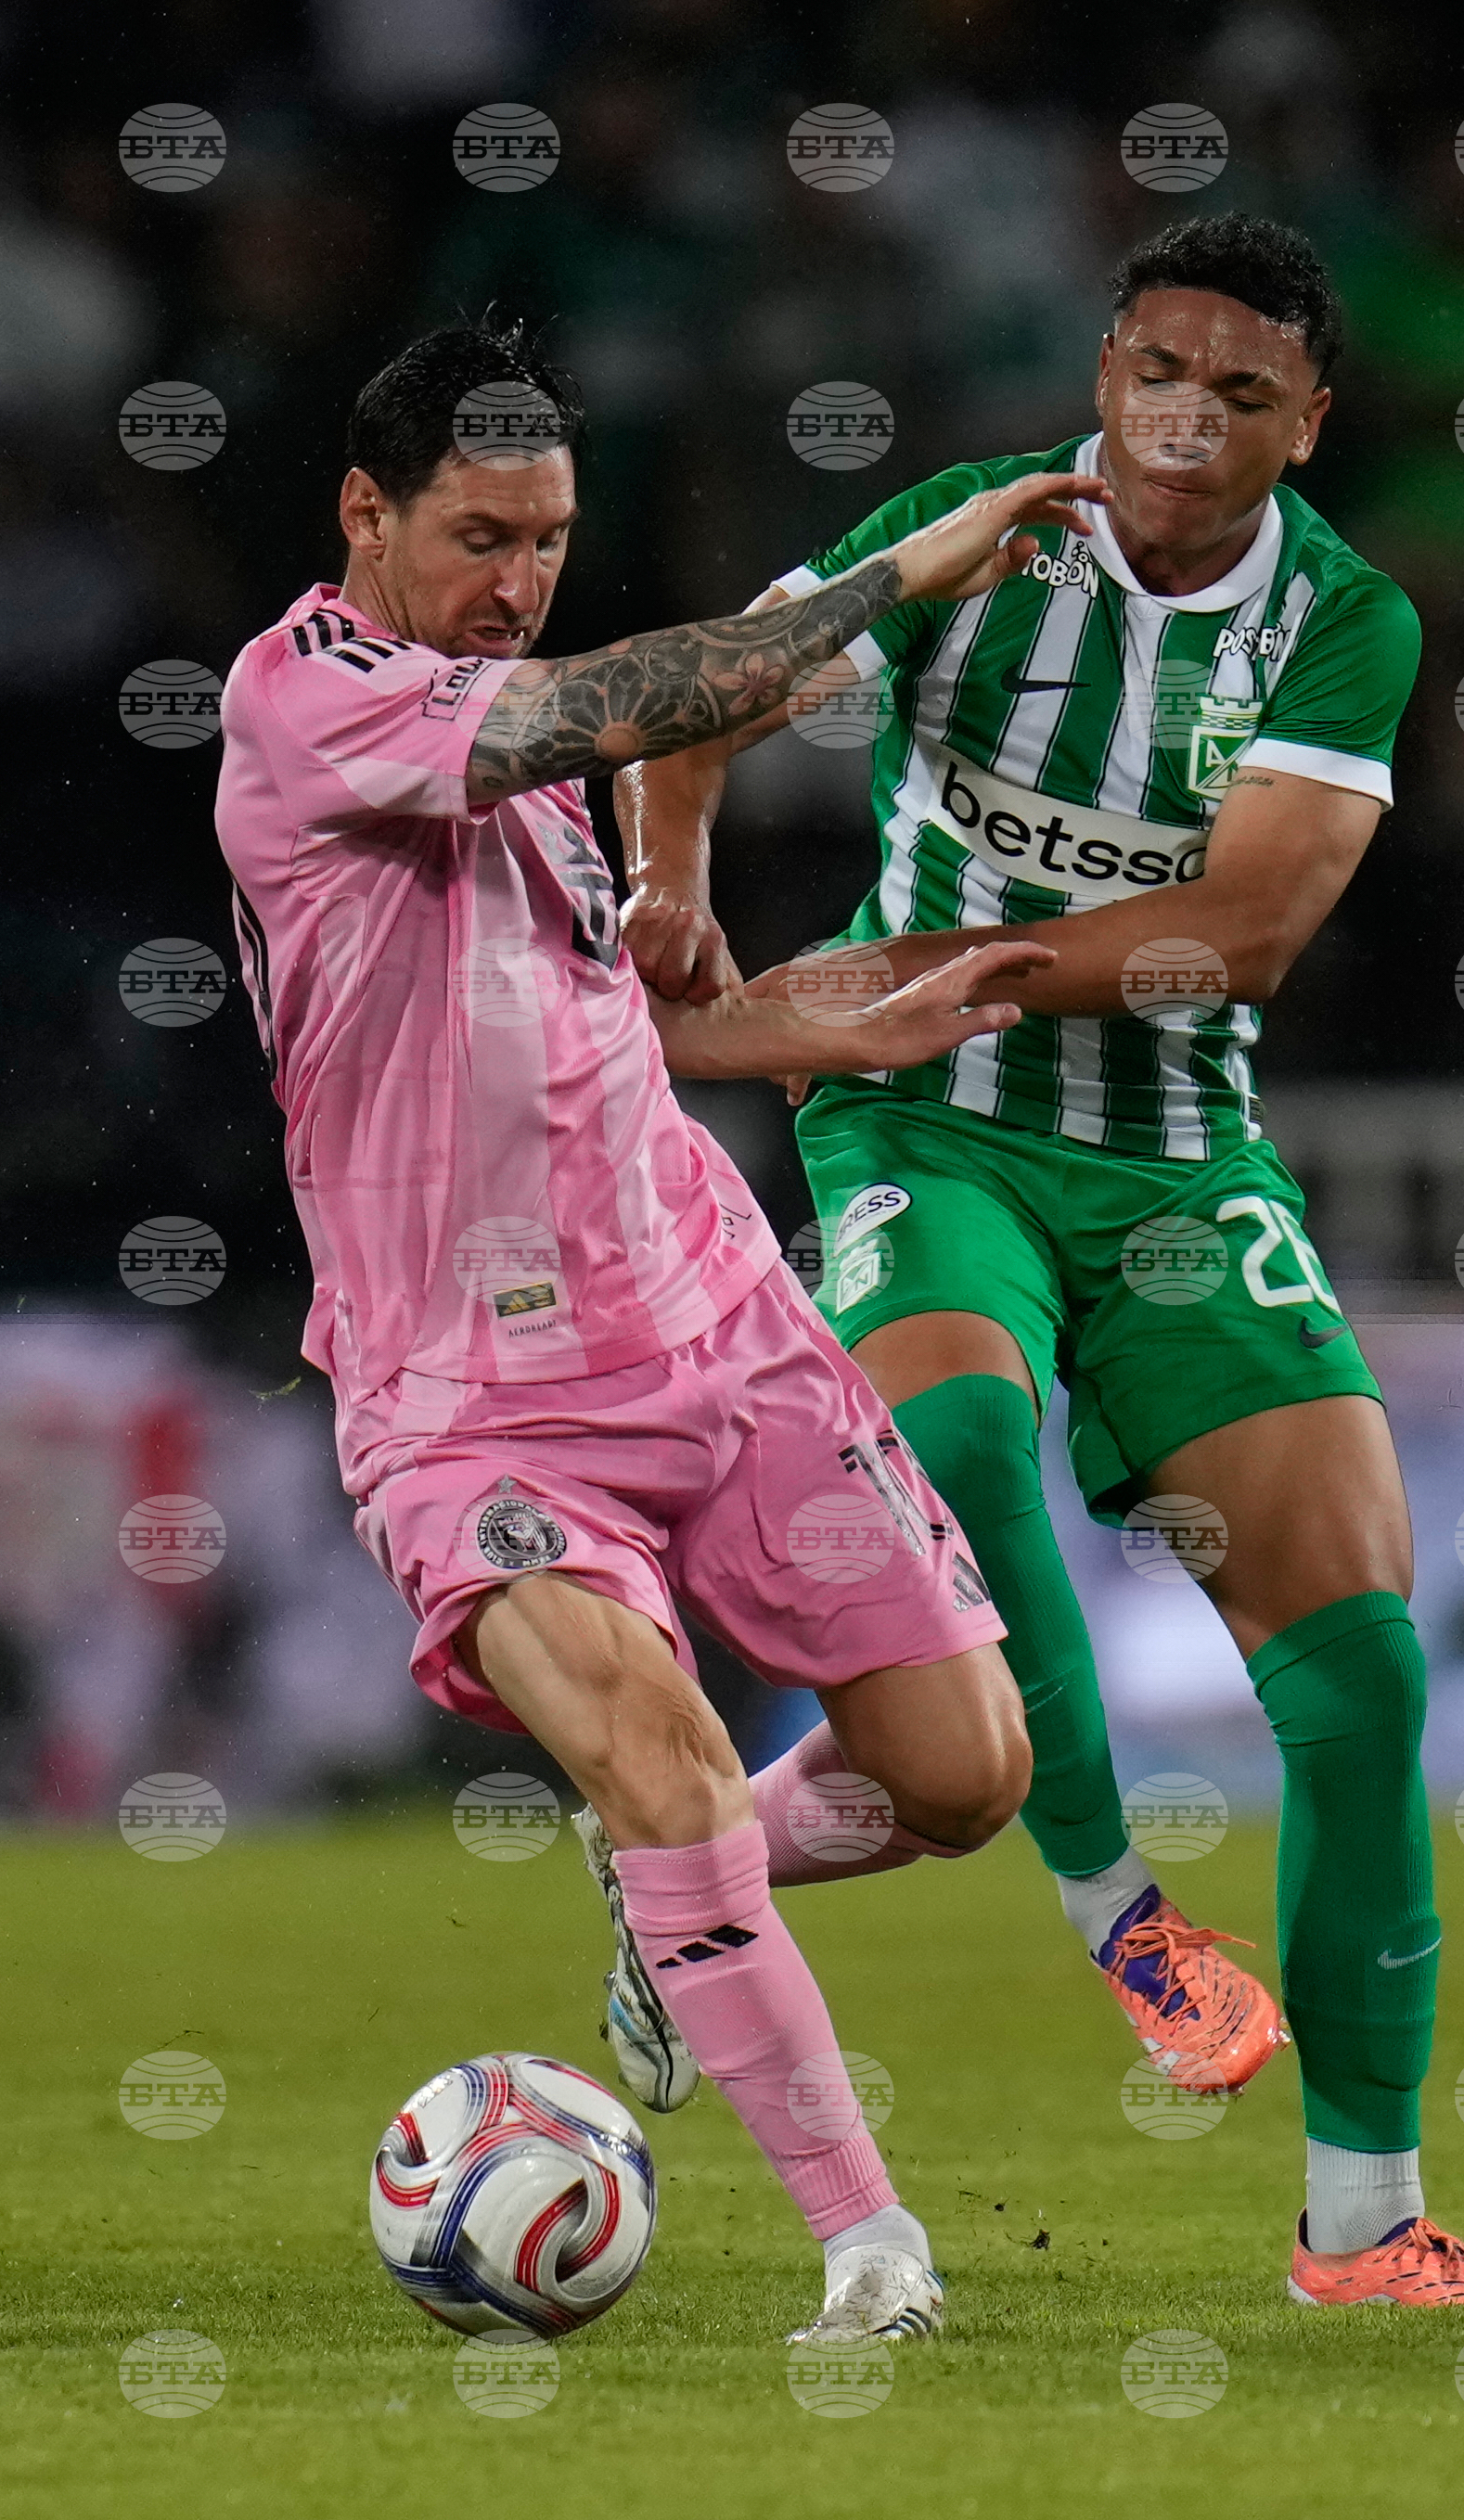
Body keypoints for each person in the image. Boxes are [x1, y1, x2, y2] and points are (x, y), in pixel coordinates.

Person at [617, 215, 1464, 2309]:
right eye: (1156, 368)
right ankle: (1128, 1922)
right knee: (957, 1422)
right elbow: (700, 695)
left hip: (1168, 1160)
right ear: (1105, 366)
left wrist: (932, 964)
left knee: (1368, 1668)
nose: (1183, 420)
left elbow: (1240, 933)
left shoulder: (1347, 621)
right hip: (919, 1119)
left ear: (1307, 425)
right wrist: (676, 885)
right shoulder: (978, 533)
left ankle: (1365, 2229)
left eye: (1241, 392)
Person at [213, 316, 1108, 2343]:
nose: (518, 577)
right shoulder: (312, 702)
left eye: (547, 539)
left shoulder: (497, 734)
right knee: (670, 1757)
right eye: (476, 534)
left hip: (716, 1323)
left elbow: (588, 1019)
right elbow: (636, 702)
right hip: (475, 1405)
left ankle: (669, 1903)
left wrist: (805, 1026)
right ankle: (870, 2249)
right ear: (364, 514)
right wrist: (905, 573)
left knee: (965, 1774)